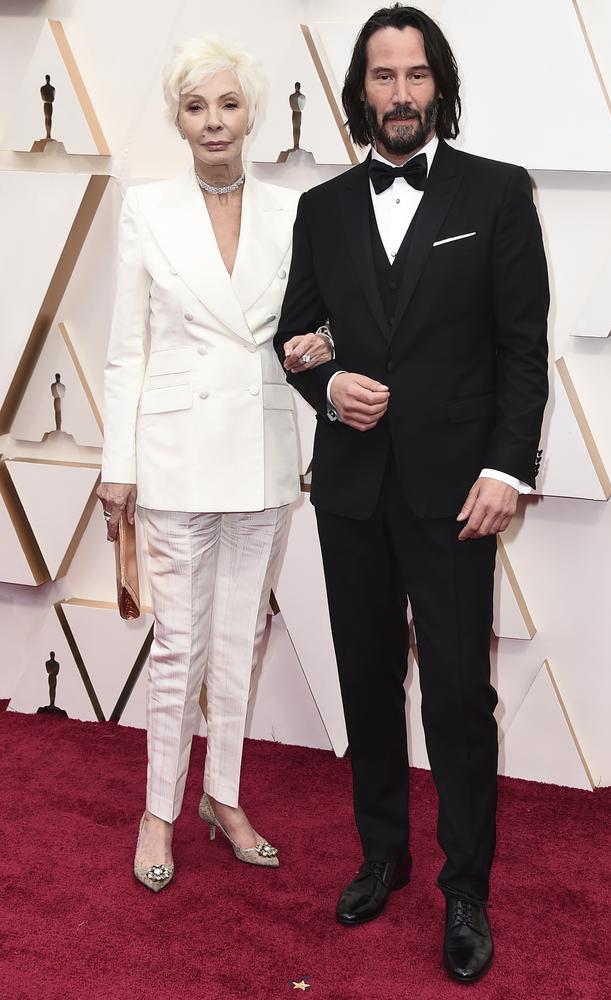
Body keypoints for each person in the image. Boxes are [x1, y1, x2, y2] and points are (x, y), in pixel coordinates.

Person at [275, 4, 548, 983]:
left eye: (415, 75)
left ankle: (462, 883)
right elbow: (296, 338)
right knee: (364, 680)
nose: (399, 94)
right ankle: (381, 852)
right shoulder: (320, 210)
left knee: (456, 697)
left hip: (453, 493)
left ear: (440, 86)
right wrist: (322, 382)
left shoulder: (496, 194)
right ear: (361, 90)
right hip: (349, 491)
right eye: (382, 77)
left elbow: (520, 349)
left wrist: (505, 467)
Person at [97, 35, 332, 893]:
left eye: (228, 104)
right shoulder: (147, 208)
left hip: (263, 449)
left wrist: (320, 345)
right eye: (196, 107)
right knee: (178, 644)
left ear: (251, 112)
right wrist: (117, 463)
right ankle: (160, 807)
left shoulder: (293, 211)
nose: (214, 121)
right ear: (178, 118)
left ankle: (222, 797)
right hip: (174, 453)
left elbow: (317, 324)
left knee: (242, 638)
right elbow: (127, 349)